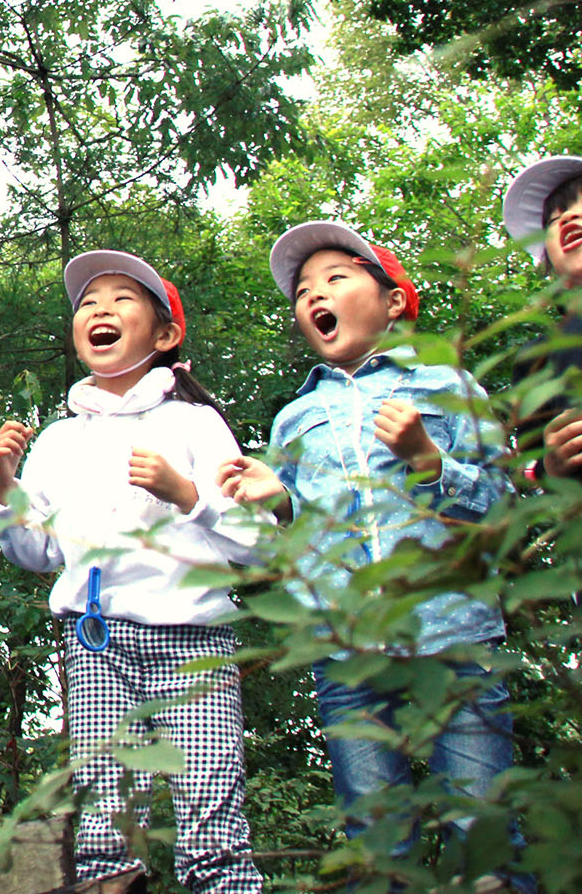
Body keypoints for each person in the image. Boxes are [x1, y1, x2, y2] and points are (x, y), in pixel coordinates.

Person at [219, 221, 526, 887]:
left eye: (336, 278)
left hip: (454, 634)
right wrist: (278, 503)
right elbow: (293, 550)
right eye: (303, 291)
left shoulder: (450, 387)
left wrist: (428, 460)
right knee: (373, 843)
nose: (314, 296)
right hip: (347, 650)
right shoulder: (294, 420)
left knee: (485, 834)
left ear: (393, 302)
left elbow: (502, 512)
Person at [0, 251, 267, 893]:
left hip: (193, 639)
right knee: (107, 827)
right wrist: (5, 489)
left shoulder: (195, 423)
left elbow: (255, 544)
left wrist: (185, 492)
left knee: (211, 814)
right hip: (98, 644)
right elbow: (38, 555)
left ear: (165, 336)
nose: (100, 310)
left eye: (122, 299)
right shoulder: (60, 440)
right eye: (88, 303)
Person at [501, 155, 582, 482]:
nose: (568, 217)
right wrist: (553, 465)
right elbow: (535, 469)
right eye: (554, 218)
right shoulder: (537, 360)